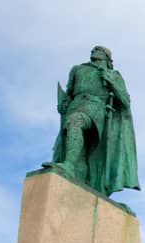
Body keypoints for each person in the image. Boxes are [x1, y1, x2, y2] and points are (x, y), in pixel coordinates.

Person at [44, 45, 139, 197]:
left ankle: (68, 165)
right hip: (75, 106)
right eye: (93, 49)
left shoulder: (113, 74)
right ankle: (79, 176)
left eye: (98, 49)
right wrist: (64, 103)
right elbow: (69, 93)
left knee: (76, 121)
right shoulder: (77, 70)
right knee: (82, 151)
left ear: (107, 57)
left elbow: (125, 101)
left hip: (97, 108)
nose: (93, 51)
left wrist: (111, 82)